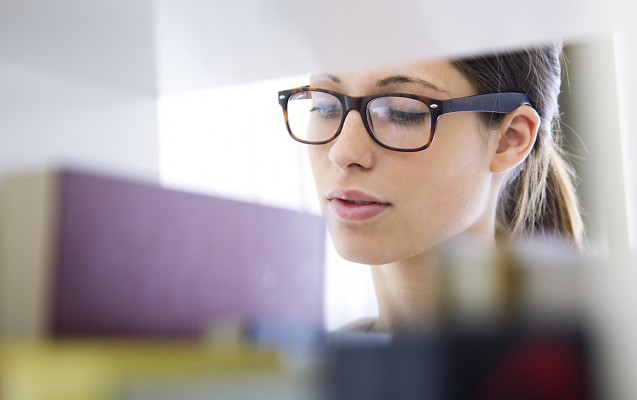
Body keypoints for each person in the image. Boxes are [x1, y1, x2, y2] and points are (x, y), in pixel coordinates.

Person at [278, 43, 583, 333]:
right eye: (325, 107)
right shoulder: (304, 377)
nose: (343, 153)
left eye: (401, 112)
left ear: (510, 139)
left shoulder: (594, 373)